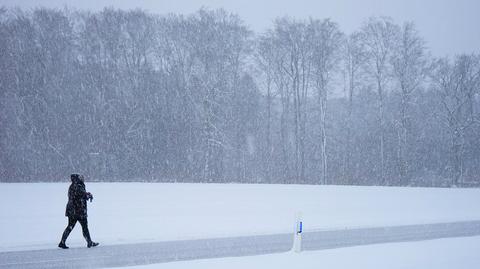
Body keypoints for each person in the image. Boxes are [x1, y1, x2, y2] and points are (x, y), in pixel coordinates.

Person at [58, 174, 99, 249]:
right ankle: (89, 242)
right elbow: (81, 195)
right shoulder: (78, 185)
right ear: (78, 178)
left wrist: (86, 195)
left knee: (71, 226)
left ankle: (62, 242)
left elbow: (78, 195)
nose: (83, 179)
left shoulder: (73, 185)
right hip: (78, 211)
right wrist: (88, 195)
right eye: (81, 178)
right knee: (83, 227)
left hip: (72, 210)